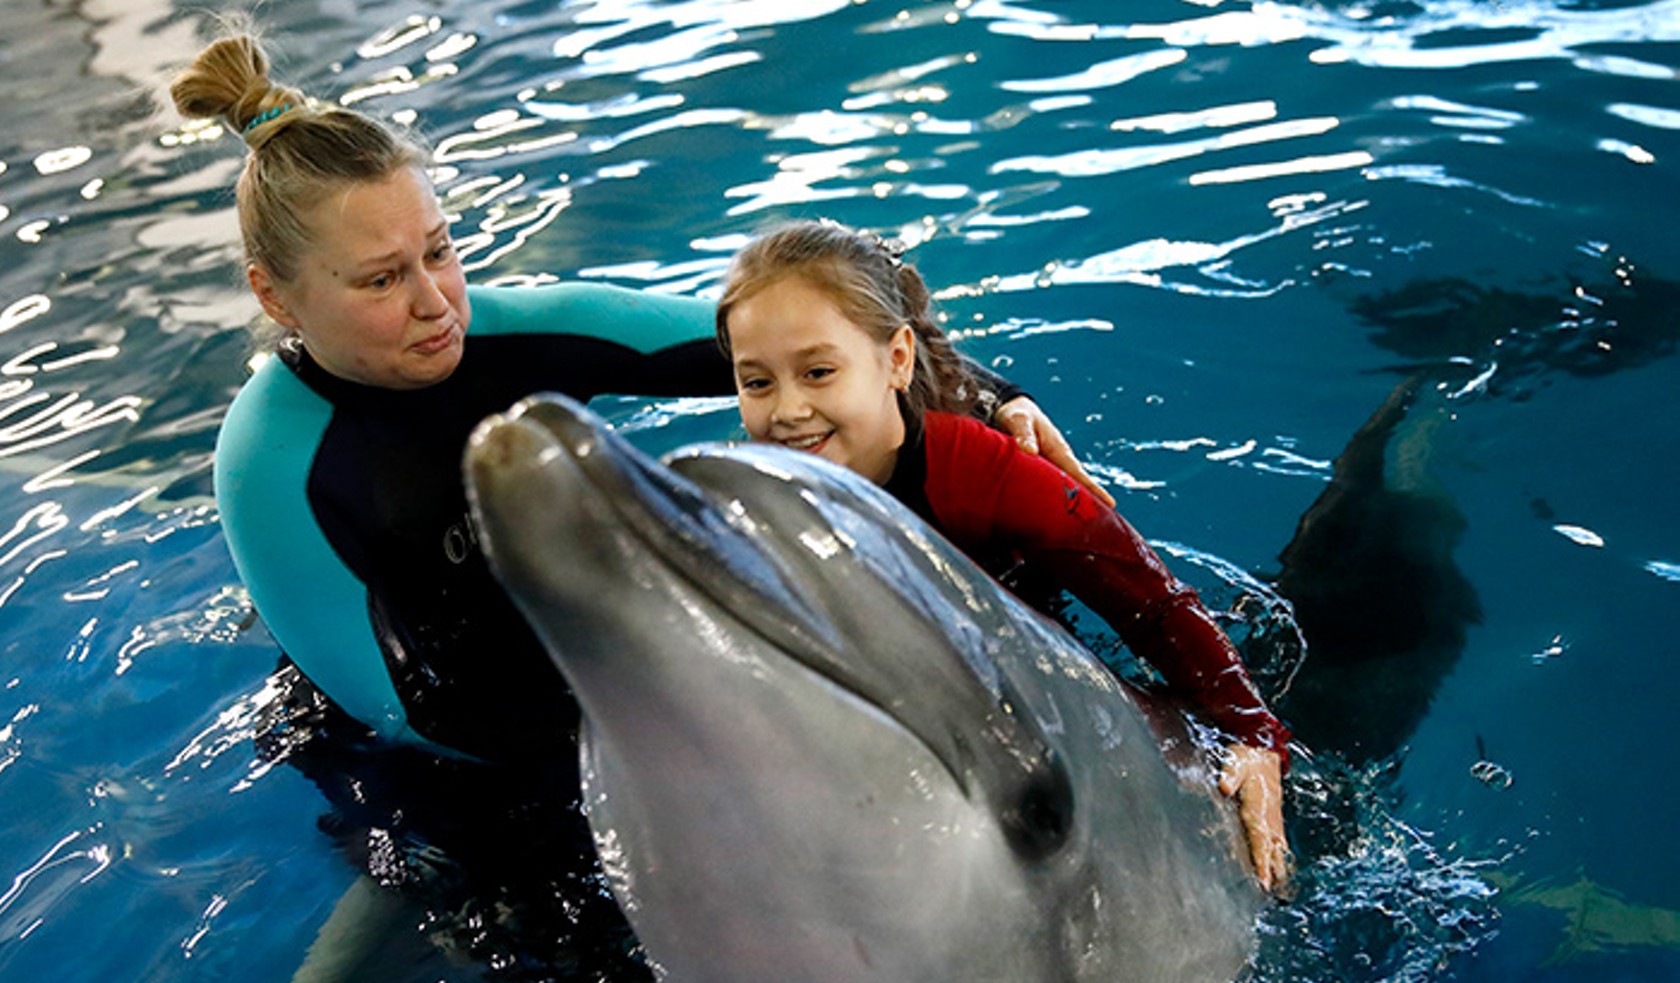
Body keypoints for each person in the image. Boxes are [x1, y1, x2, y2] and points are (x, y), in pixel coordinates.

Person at [171, 31, 1104, 765]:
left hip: (580, 644)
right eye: (380, 282)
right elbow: (407, 711)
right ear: (275, 295)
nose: (434, 303)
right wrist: (693, 732)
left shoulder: (518, 329)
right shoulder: (270, 464)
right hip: (424, 742)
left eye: (440, 251)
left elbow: (804, 335)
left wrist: (989, 399)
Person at [716, 220, 1294, 894]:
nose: (787, 411)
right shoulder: (769, 486)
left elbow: (1154, 606)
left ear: (896, 360)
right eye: (757, 384)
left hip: (1029, 693)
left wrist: (1254, 738)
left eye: (818, 373)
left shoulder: (984, 473)